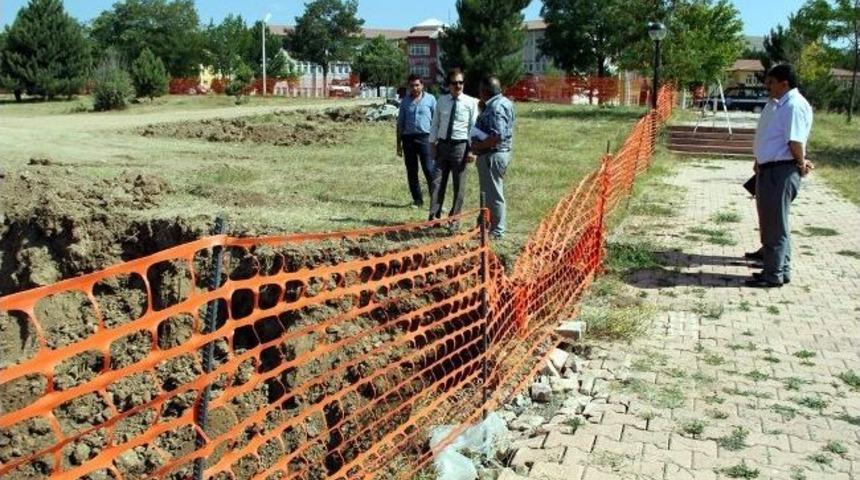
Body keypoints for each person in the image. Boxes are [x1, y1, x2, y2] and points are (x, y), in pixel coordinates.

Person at [746, 64, 814, 288]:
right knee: (775, 223)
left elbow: (795, 141)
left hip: (780, 171)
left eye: (771, 83)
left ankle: (773, 274)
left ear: (784, 84)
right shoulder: (781, 104)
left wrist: (800, 163)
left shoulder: (793, 106)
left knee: (776, 226)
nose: (767, 87)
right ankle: (780, 270)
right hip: (771, 170)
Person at [428, 68, 479, 222]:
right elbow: (435, 123)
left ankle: (454, 219)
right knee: (437, 182)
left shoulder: (471, 102)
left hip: (460, 148)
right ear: (448, 84)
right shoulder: (441, 101)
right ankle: (433, 216)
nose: (458, 86)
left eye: (461, 82)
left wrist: (471, 151)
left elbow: (473, 126)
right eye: (454, 83)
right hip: (442, 146)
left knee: (459, 186)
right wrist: (432, 144)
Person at [472, 75, 515, 240]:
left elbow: (497, 136)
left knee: (494, 194)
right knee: (487, 193)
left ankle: (497, 231)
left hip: (493, 155)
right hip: (492, 155)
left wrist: (477, 146)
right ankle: (484, 227)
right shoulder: (504, 103)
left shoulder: (496, 108)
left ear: (484, 91)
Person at [396, 74, 437, 208]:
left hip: (425, 138)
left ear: (422, 85)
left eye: (417, 85)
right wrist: (399, 144)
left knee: (429, 170)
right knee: (412, 171)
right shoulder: (405, 102)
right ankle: (417, 200)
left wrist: (436, 140)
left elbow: (436, 121)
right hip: (408, 139)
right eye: (412, 85)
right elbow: (400, 124)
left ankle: (435, 200)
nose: (414, 88)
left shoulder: (431, 100)